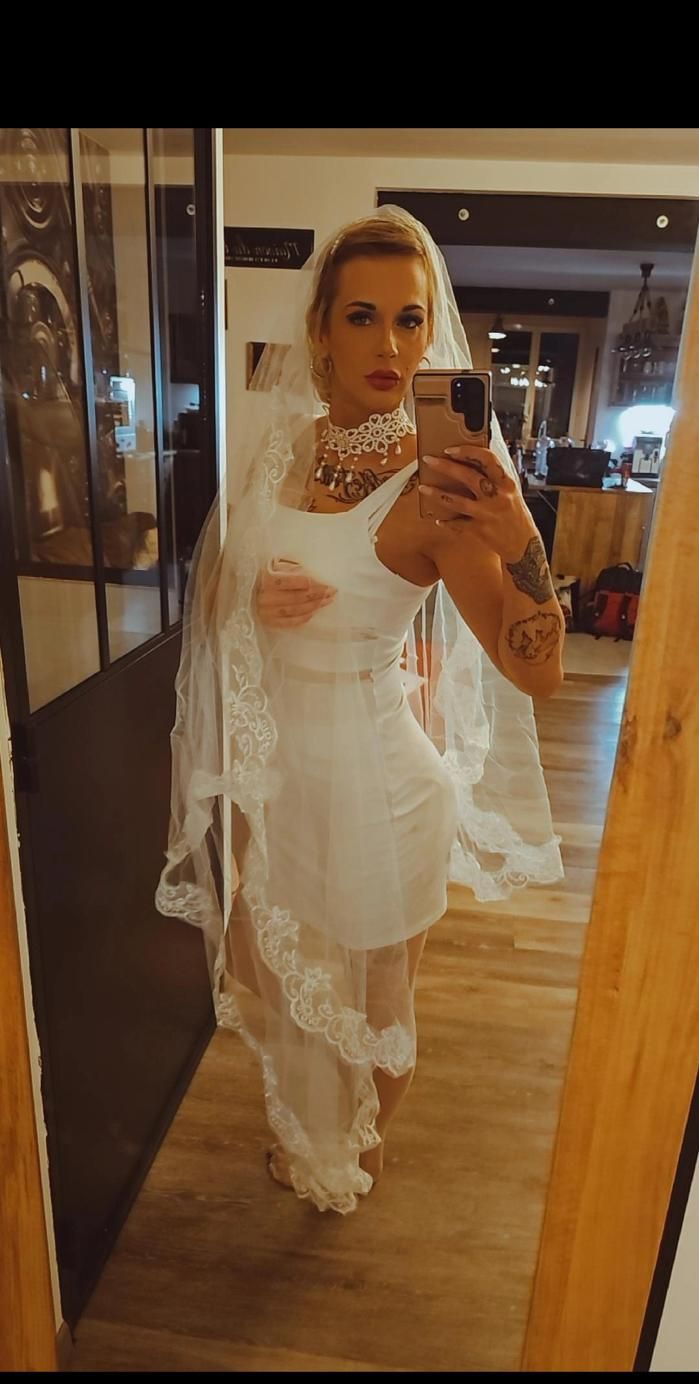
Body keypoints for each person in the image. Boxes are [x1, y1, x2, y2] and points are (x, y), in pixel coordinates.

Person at [155, 208, 565, 1214]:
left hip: (382, 790)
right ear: (322, 331)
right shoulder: (283, 450)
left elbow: (539, 672)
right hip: (280, 782)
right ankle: (311, 1129)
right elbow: (211, 596)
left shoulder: (441, 491)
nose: (389, 344)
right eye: (363, 316)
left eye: (410, 320)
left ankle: (356, 1161)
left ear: (432, 336)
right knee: (267, 970)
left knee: (378, 1003)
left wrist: (520, 534)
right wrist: (250, 603)